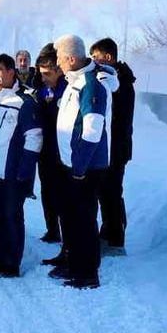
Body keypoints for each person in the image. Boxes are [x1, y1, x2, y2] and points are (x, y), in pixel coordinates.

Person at [52, 34, 117, 290]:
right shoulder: (74, 80)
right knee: (70, 217)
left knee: (84, 219)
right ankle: (72, 262)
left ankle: (87, 272)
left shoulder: (92, 84)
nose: (57, 63)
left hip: (86, 168)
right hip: (72, 164)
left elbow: (92, 130)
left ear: (71, 58)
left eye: (59, 58)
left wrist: (79, 167)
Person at [0, 54, 42, 277]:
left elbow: (34, 137)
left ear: (12, 72)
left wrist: (25, 171)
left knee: (11, 217)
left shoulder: (23, 101)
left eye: (1, 70)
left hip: (11, 173)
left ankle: (11, 263)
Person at [90, 37, 136, 255]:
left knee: (111, 192)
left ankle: (116, 240)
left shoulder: (121, 83)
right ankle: (109, 231)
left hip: (116, 148)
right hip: (111, 146)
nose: (93, 62)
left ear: (108, 57)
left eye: (95, 57)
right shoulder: (116, 79)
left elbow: (118, 120)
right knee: (106, 192)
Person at [34, 44, 69, 256]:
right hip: (45, 150)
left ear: (58, 69)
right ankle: (52, 229)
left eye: (47, 74)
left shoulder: (67, 89)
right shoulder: (44, 89)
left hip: (62, 151)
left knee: (62, 194)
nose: (44, 78)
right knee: (47, 190)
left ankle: (66, 236)